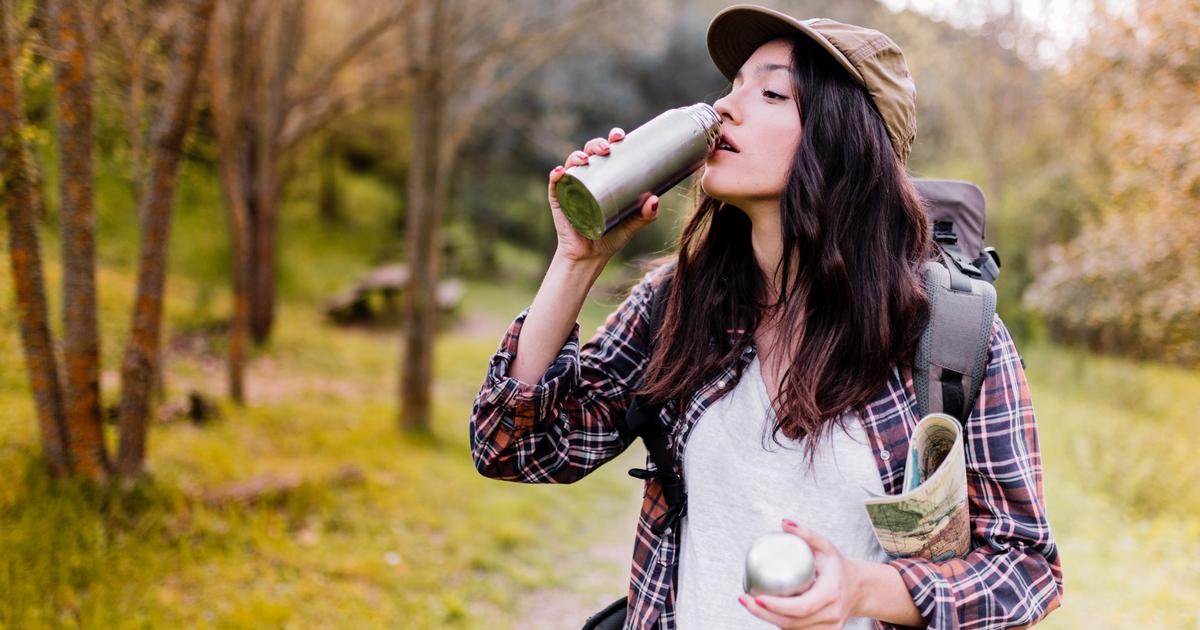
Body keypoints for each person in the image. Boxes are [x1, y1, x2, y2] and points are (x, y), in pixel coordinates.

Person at [469, 5, 1063, 629]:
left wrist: (863, 589)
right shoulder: (679, 304)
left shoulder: (948, 334)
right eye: (733, 88)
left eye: (773, 92)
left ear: (845, 142)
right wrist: (576, 261)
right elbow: (516, 446)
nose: (726, 107)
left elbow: (1025, 568)